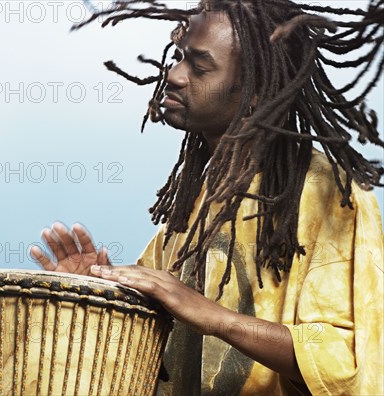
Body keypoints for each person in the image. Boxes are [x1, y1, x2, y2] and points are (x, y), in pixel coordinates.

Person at [29, 0, 384, 394]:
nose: (174, 74)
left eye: (198, 66)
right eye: (179, 57)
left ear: (255, 90)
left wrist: (214, 317)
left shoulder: (330, 195)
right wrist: (97, 295)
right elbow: (146, 356)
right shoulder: (194, 207)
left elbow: (345, 361)